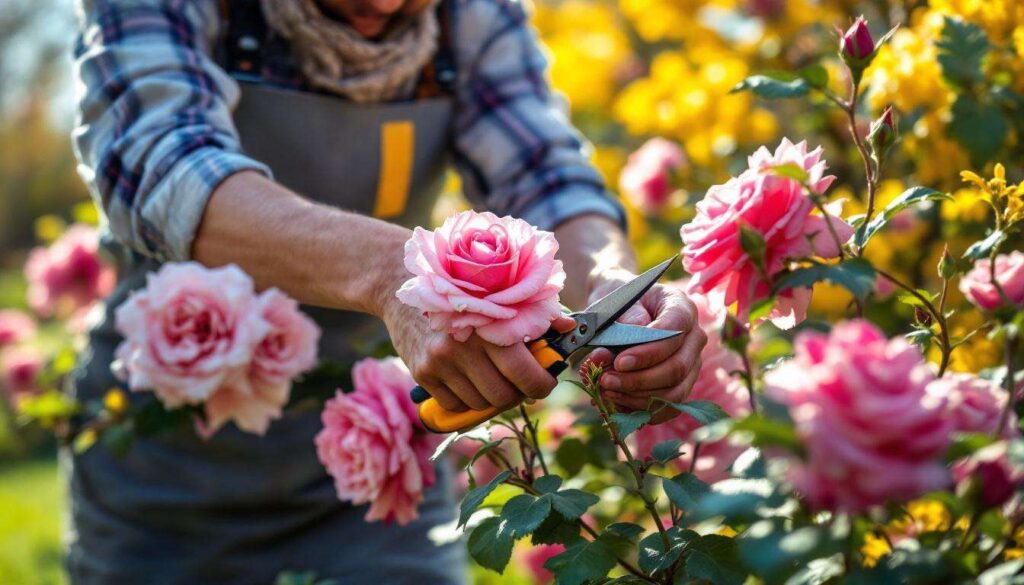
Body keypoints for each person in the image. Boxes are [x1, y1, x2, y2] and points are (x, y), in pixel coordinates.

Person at [68, 0, 707, 582]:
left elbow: (545, 178)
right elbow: (161, 165)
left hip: (377, 470)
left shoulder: (473, 17)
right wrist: (391, 274)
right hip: (162, 483)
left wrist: (611, 280)